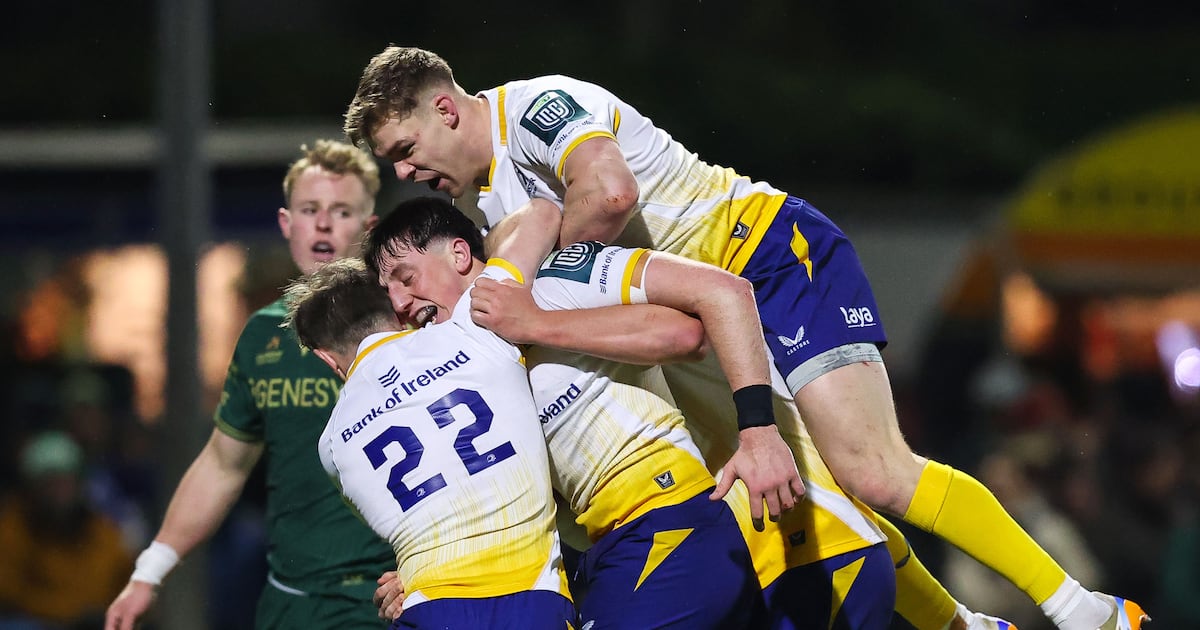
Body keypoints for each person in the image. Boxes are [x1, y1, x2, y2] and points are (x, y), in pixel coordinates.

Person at [342, 46, 1148, 630]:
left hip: (765, 254)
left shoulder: (536, 107)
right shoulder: (487, 204)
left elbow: (610, 192)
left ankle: (1086, 610)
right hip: (707, 319)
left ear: (446, 109)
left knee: (871, 467)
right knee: (809, 485)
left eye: (404, 151)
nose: (404, 173)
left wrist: (544, 289)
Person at [365, 197, 895, 629]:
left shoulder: (554, 275)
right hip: (623, 550)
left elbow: (694, 322)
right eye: (390, 296)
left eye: (407, 277)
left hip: (691, 524)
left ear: (460, 254)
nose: (402, 303)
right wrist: (437, 572)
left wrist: (758, 430)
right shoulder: (461, 375)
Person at [105, 140, 395, 630]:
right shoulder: (263, 333)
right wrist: (148, 572)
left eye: (342, 211)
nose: (324, 224)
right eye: (310, 210)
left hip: (387, 597)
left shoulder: (408, 318)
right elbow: (223, 463)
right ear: (287, 223)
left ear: (369, 228)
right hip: (290, 601)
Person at [283, 205, 576, 629]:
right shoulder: (472, 328)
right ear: (395, 313)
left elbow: (417, 519)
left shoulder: (331, 445)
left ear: (326, 358)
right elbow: (541, 214)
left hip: (429, 609)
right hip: (531, 600)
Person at [0, 430, 133, 629]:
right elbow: (8, 594)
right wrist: (67, 615)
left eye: (66, 482)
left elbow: (124, 580)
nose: (59, 492)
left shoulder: (101, 531)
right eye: (50, 483)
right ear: (32, 488)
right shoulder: (14, 529)